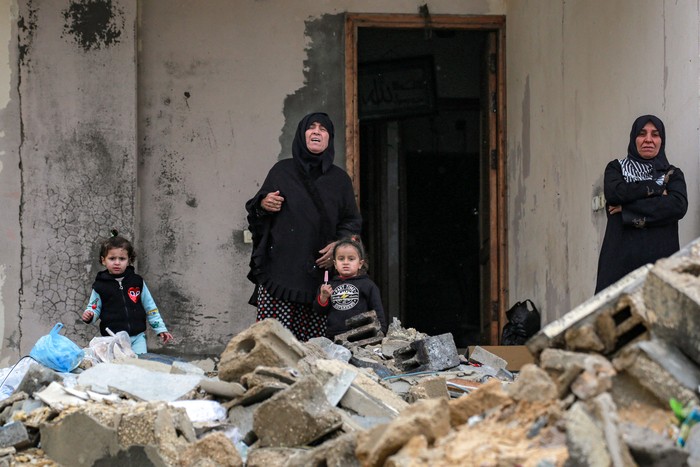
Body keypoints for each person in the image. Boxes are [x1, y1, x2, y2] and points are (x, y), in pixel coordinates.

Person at [245, 112, 362, 341]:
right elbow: (255, 214)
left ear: (330, 138)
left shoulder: (340, 180)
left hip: (319, 274)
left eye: (323, 129)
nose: (317, 131)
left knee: (315, 346)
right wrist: (264, 204)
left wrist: (340, 247)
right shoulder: (282, 171)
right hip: (280, 272)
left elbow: (352, 221)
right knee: (274, 344)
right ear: (302, 134)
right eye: (311, 127)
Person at [595, 114, 688, 293]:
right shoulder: (616, 168)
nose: (648, 140)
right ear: (633, 138)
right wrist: (656, 188)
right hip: (619, 264)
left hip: (659, 266)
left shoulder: (673, 174)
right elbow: (615, 193)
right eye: (642, 133)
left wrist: (627, 209)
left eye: (655, 134)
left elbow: (677, 206)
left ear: (662, 140)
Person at [81, 233, 174, 354]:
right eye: (112, 258)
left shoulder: (137, 281)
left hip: (137, 337)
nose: (117, 263)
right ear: (103, 260)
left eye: (122, 259)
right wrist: (90, 315)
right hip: (113, 339)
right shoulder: (100, 285)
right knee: (119, 369)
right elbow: (94, 307)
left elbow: (150, 307)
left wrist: (160, 328)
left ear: (129, 260)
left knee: (139, 366)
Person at [313, 237, 387, 339]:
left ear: (360, 264)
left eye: (351, 259)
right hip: (334, 336)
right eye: (341, 258)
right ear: (335, 264)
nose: (346, 262)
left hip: (361, 335)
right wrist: (323, 297)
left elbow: (377, 310)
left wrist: (382, 331)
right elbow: (319, 311)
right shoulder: (328, 286)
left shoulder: (368, 285)